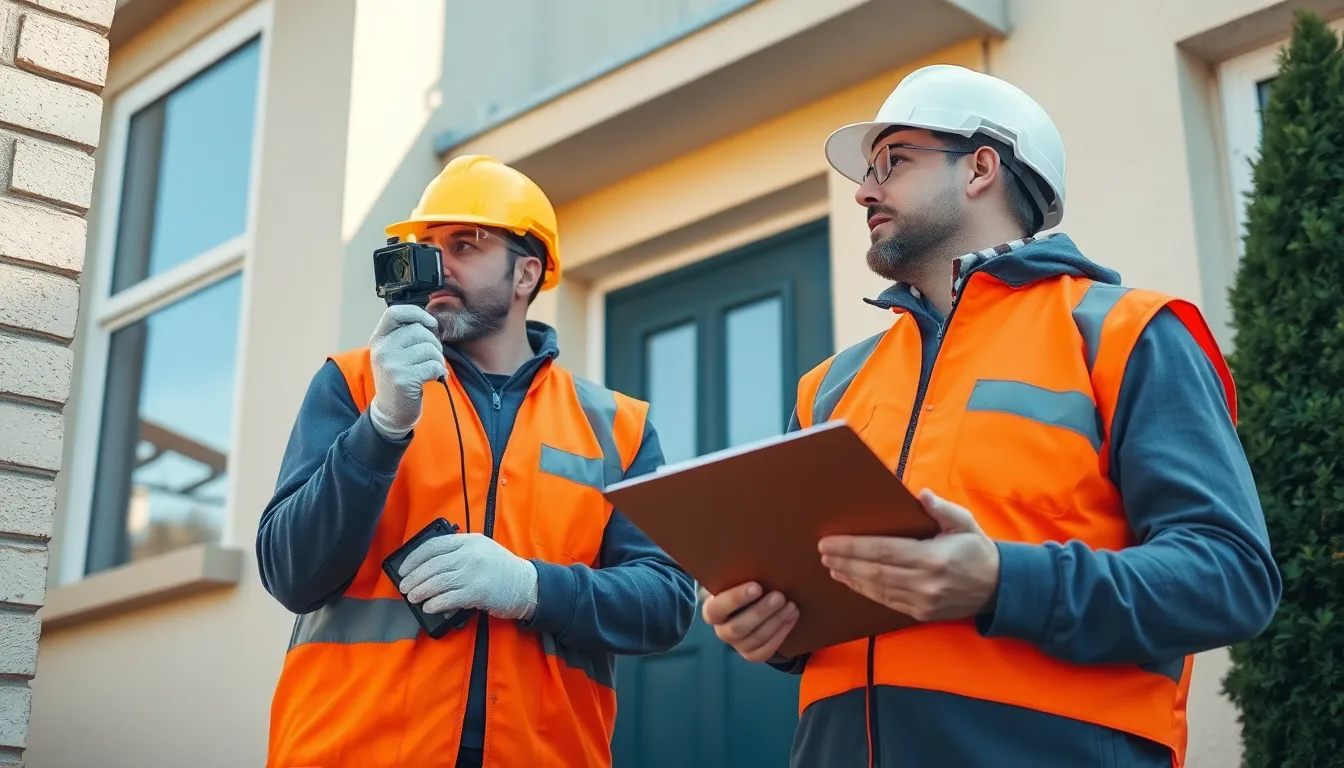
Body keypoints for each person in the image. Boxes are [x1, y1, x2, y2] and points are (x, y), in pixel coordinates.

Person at [700, 64, 1282, 767]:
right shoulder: (827, 389)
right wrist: (773, 629)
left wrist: (1004, 582)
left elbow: (1231, 578)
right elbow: (826, 608)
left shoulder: (1128, 333)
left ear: (979, 168)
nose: (863, 190)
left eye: (894, 161)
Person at [257, 154, 696, 768]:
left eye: (465, 245)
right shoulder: (354, 384)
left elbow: (668, 604)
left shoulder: (616, 426)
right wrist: (382, 426)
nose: (438, 267)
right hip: (350, 750)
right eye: (428, 247)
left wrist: (531, 588)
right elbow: (290, 573)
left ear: (526, 275)